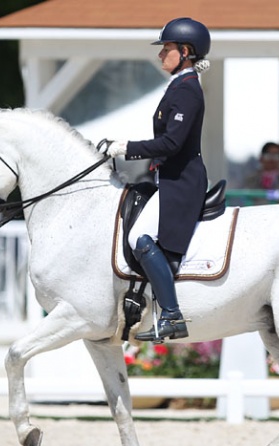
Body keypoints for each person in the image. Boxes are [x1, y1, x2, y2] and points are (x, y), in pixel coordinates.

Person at [105, 17, 211, 342]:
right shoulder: (179, 85)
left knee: (139, 237)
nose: (160, 55)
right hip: (169, 176)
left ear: (185, 51)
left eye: (166, 49)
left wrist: (126, 148)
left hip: (182, 181)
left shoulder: (188, 90)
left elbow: (172, 144)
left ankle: (171, 314)